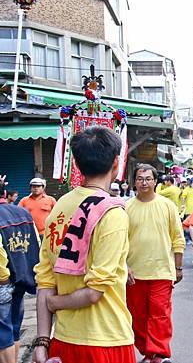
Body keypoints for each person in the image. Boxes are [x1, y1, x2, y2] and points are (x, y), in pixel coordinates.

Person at [32, 126, 135, 363]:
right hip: (107, 340)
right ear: (116, 163)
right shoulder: (113, 213)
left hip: (64, 340)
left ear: (77, 166)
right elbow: (94, 292)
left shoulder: (59, 207)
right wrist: (56, 302)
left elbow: (45, 278)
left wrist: (42, 341)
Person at [125, 164, 185, 363]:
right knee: (136, 317)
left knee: (160, 315)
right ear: (134, 182)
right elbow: (119, 241)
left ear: (155, 181)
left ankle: (159, 354)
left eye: (148, 178)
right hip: (134, 273)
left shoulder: (168, 206)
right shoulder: (125, 208)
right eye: (140, 178)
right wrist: (124, 267)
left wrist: (178, 267)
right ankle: (148, 353)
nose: (144, 182)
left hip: (162, 271)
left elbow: (178, 238)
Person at [0, 176, 40, 363]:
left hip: (4, 281)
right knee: (14, 329)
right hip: (21, 278)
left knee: (3, 334)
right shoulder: (22, 212)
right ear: (5, 194)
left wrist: (3, 280)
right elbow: (35, 244)